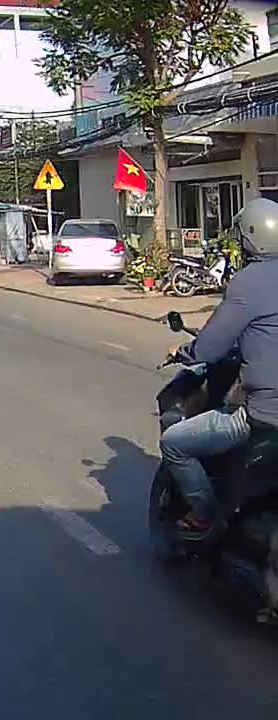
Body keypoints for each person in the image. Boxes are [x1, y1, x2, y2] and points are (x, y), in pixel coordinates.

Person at [160, 197, 278, 539]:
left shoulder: (248, 282)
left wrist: (182, 351)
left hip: (265, 414)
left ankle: (206, 516)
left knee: (173, 443)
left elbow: (209, 348)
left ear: (251, 237)